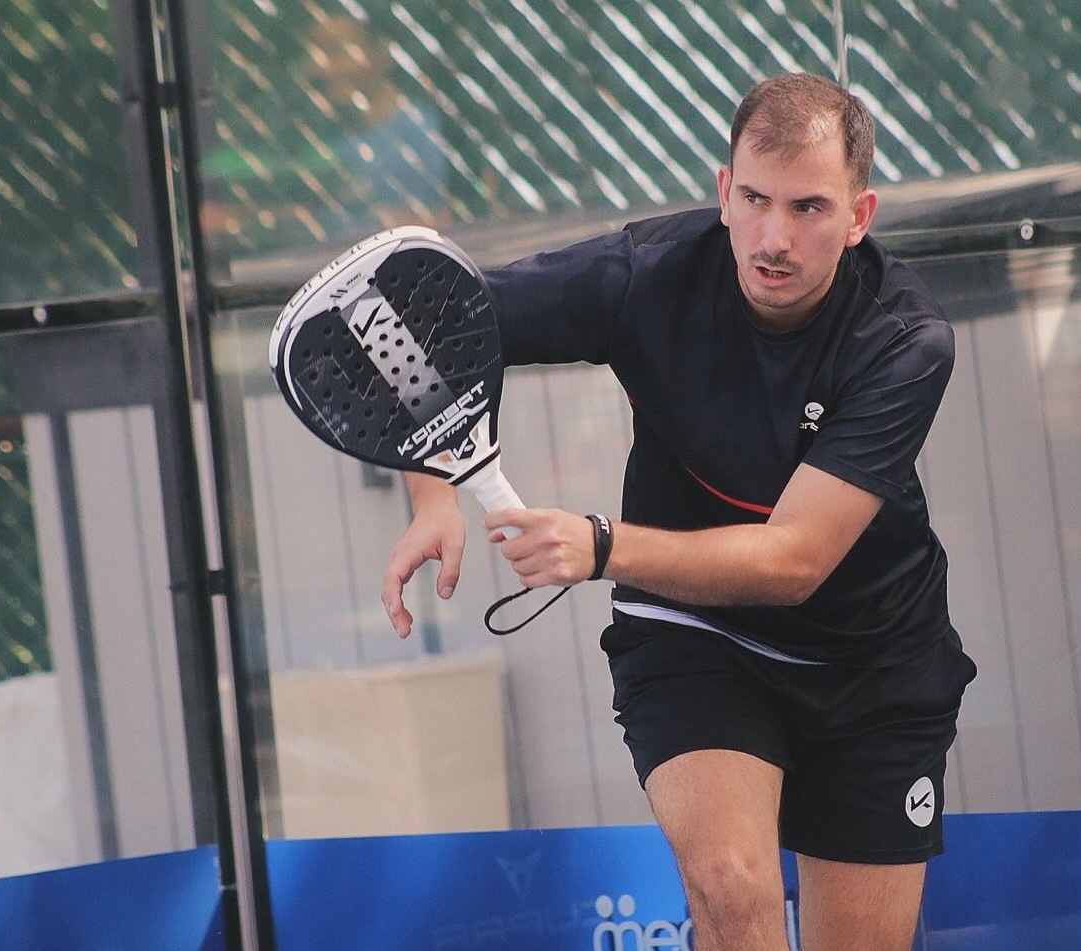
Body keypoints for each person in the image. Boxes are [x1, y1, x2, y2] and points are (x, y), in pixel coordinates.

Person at [381, 71, 976, 951]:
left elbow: (793, 561)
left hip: (876, 663)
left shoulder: (902, 341)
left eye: (810, 207)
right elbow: (427, 320)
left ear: (859, 217)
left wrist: (599, 544)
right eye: (756, 199)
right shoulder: (643, 273)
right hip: (696, 635)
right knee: (732, 890)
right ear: (723, 194)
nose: (775, 237)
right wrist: (432, 493)